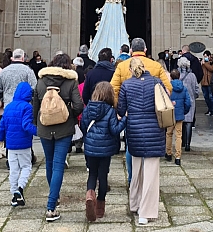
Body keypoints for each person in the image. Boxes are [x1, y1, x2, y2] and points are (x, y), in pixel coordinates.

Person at [111, 38, 172, 185]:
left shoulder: (122, 66)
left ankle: (133, 179)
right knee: (151, 150)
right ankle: (148, 183)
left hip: (131, 115)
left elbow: (113, 89)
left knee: (131, 146)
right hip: (153, 116)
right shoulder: (156, 66)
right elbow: (168, 89)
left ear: (131, 51)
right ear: (145, 50)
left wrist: (120, 109)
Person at [33, 53, 84, 222]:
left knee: (49, 162)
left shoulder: (41, 82)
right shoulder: (70, 82)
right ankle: (51, 206)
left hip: (45, 127)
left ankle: (54, 197)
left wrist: (37, 123)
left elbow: (35, 105)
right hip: (64, 128)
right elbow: (78, 105)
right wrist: (69, 116)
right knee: (58, 165)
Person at [118, 58, 166, 226]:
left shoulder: (127, 85)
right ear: (144, 68)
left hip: (135, 130)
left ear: (131, 70)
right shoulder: (156, 82)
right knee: (151, 174)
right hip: (154, 130)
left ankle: (135, 203)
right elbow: (165, 102)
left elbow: (121, 109)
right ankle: (146, 212)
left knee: (136, 170)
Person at [80, 81, 126, 221]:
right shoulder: (110, 110)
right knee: (103, 175)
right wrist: (124, 120)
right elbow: (114, 130)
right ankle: (100, 207)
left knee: (92, 174)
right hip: (105, 150)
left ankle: (89, 194)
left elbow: (83, 125)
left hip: (90, 147)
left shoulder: (88, 108)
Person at [0, 82, 38, 207]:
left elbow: (2, 125)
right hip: (24, 144)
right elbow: (26, 125)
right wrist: (39, 132)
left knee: (13, 169)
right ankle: (20, 188)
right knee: (26, 166)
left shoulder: (9, 107)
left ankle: (14, 194)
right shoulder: (27, 107)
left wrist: (1, 138)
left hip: (10, 144)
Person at [165, 69, 191, 165]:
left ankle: (168, 153)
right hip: (179, 114)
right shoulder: (183, 88)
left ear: (170, 77)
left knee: (169, 134)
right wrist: (184, 111)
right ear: (179, 76)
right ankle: (178, 156)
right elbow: (188, 102)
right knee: (178, 136)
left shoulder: (168, 87)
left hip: (170, 114)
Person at [177, 57, 198, 152]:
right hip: (190, 100)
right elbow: (196, 89)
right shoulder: (192, 76)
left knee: (180, 121)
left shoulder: (177, 74)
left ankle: (181, 141)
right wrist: (194, 96)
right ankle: (187, 144)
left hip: (179, 101)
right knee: (189, 122)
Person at [201, 51, 213, 116]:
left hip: (210, 82)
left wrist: (205, 64)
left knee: (211, 97)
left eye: (206, 56)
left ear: (209, 56)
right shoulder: (203, 63)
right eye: (204, 56)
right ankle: (209, 109)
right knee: (206, 97)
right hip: (204, 82)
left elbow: (212, 68)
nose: (205, 58)